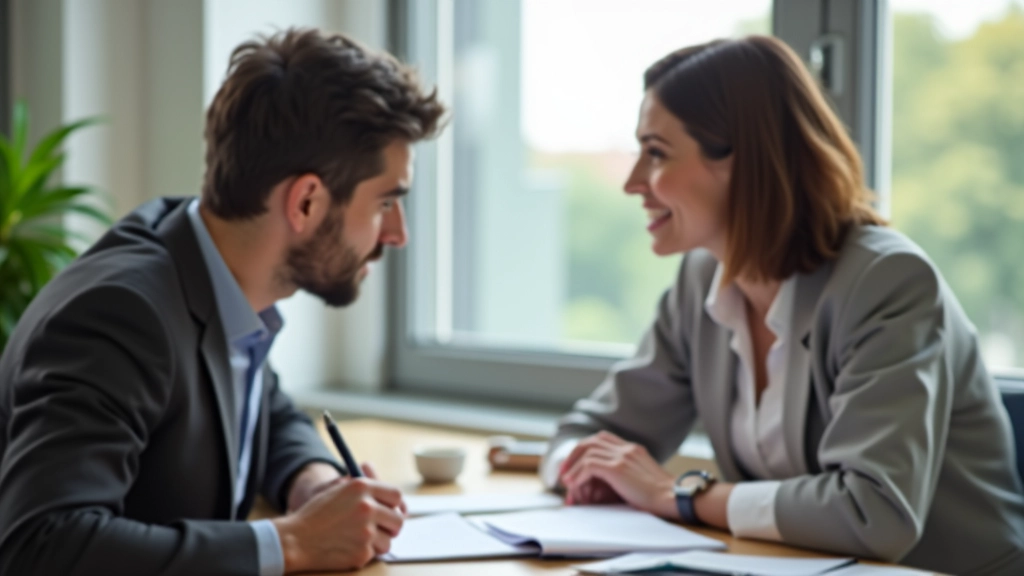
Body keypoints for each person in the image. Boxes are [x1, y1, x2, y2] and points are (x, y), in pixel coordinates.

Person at [543, 35, 1024, 575]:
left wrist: (679, 496)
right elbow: (590, 432)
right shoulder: (701, 278)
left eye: (656, 153)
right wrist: (581, 467)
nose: (634, 182)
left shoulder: (886, 282)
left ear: (743, 163)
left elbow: (876, 513)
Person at [0, 28, 443, 575]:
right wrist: (292, 543)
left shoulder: (209, 264)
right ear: (305, 201)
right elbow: (41, 546)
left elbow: (265, 408)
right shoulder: (121, 315)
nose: (397, 234)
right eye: (386, 203)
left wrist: (313, 481)